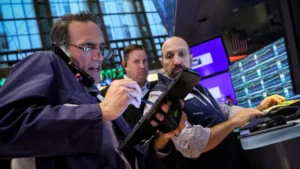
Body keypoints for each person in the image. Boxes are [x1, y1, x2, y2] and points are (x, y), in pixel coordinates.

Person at [0, 12, 185, 169]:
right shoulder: (46, 61)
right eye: (88, 47)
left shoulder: (95, 95)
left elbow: (126, 157)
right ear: (62, 49)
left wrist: (161, 139)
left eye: (101, 48)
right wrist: (100, 112)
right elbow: (7, 126)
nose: (99, 56)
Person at [145, 36, 286, 169]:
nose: (176, 61)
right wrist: (234, 122)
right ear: (162, 62)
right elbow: (191, 146)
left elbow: (227, 111)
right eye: (169, 56)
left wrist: (260, 108)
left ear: (191, 58)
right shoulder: (161, 95)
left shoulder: (199, 89)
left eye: (182, 54)